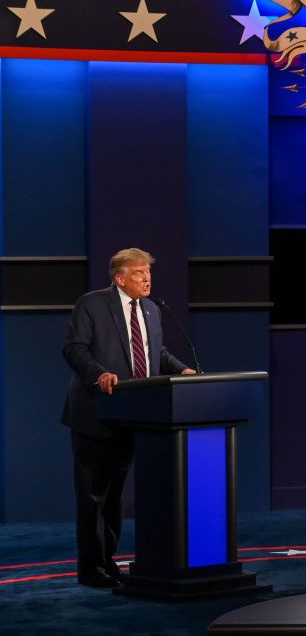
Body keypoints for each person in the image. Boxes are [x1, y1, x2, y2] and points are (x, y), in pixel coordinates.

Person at [61, 248, 196, 588]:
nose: (147, 279)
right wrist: (100, 374)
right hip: (95, 414)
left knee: (115, 498)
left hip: (134, 416)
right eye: (139, 274)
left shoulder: (152, 309)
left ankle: (109, 562)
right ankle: (90, 569)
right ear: (120, 278)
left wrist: (181, 370)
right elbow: (75, 348)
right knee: (93, 496)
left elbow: (155, 352)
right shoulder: (91, 304)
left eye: (148, 272)